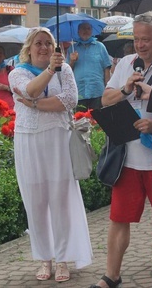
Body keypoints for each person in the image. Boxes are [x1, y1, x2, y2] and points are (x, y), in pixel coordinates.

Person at [92, 12, 152, 288]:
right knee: (118, 218)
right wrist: (126, 89)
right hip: (127, 156)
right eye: (137, 39)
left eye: (146, 40)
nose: (140, 45)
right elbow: (105, 99)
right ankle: (111, 276)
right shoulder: (127, 63)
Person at [8, 28, 92, 283]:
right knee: (36, 201)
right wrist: (46, 77)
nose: (43, 47)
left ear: (55, 47)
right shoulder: (17, 72)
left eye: (48, 43)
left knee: (60, 199)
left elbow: (69, 100)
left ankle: (63, 258)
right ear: (29, 48)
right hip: (28, 140)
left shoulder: (64, 69)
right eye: (38, 43)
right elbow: (29, 90)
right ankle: (45, 257)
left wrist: (34, 105)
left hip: (57, 139)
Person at [69, 22, 111, 110]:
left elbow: (106, 69)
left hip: (97, 92)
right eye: (83, 28)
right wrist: (72, 61)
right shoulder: (72, 49)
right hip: (79, 92)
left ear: (92, 31)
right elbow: (67, 71)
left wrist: (108, 89)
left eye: (88, 29)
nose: (86, 31)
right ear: (78, 31)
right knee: (80, 121)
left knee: (98, 121)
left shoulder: (100, 47)